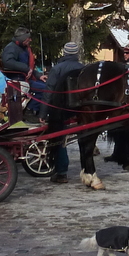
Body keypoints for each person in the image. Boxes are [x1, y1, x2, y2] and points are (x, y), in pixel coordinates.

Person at [43, 42, 85, 183]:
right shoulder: (84, 69)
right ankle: (86, 167)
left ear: (65, 53)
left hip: (61, 109)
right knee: (84, 137)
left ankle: (61, 172)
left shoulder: (57, 69)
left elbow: (49, 92)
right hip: (81, 108)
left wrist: (43, 113)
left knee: (59, 138)